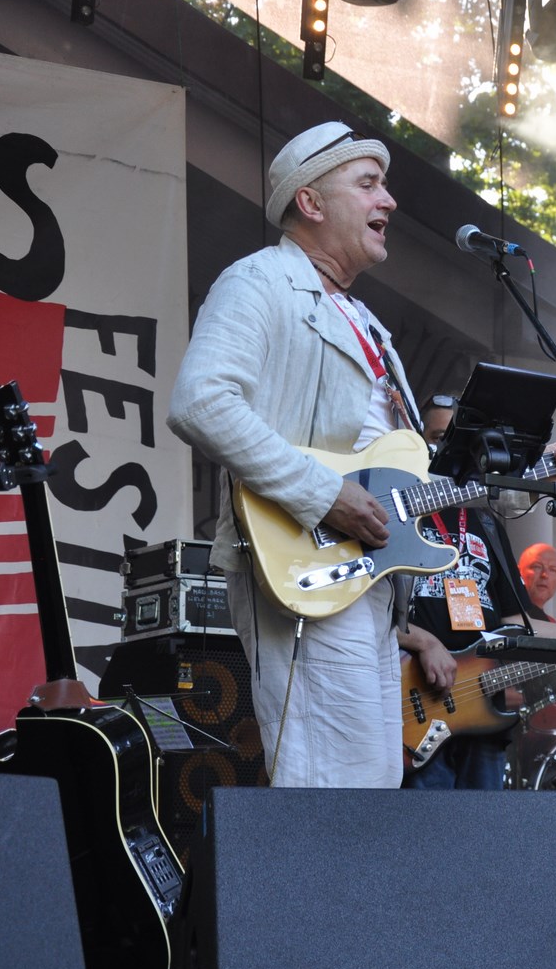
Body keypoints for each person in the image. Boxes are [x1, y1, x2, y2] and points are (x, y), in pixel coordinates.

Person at [168, 122, 414, 788]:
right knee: (333, 785)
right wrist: (325, 493)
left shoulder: (369, 324)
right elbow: (200, 402)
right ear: (310, 202)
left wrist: (526, 474)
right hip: (304, 565)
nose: (389, 200)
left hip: (367, 577)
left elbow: (401, 464)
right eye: (368, 184)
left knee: (373, 783)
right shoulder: (258, 281)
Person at [397, 399, 556, 790]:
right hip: (416, 701)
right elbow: (369, 609)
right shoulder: (401, 514)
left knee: (484, 824)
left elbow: (515, 618)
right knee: (425, 823)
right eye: (437, 438)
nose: (446, 451)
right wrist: (425, 643)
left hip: (483, 710)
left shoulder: (486, 521)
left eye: (456, 442)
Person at [519, 542, 556, 621]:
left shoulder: (551, 623)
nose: (545, 575)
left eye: (552, 570)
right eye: (537, 567)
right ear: (519, 572)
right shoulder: (507, 616)